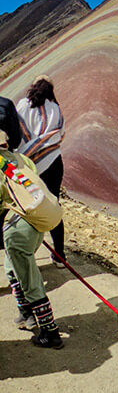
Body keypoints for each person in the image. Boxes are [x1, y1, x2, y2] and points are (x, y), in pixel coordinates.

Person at [2, 132, 63, 348]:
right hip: (38, 221)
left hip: (18, 227)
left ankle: (50, 331)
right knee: (13, 268)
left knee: (28, 278)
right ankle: (26, 313)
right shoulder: (21, 160)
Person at [14, 76, 65, 260]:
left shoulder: (22, 106)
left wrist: (29, 148)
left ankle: (27, 254)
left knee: (29, 206)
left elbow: (15, 132)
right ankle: (60, 254)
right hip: (52, 162)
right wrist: (44, 144)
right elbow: (61, 134)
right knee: (53, 205)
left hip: (27, 165)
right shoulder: (55, 108)